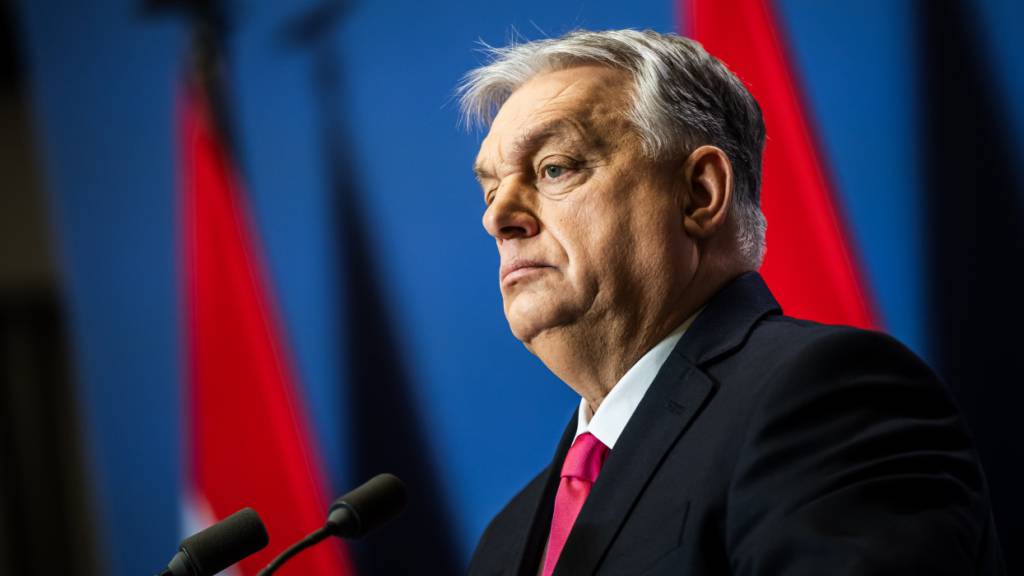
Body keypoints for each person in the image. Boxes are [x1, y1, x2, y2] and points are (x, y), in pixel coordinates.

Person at [459, 29, 1005, 575]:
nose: (498, 218)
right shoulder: (506, 541)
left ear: (699, 193)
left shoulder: (824, 404)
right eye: (490, 190)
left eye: (555, 168)